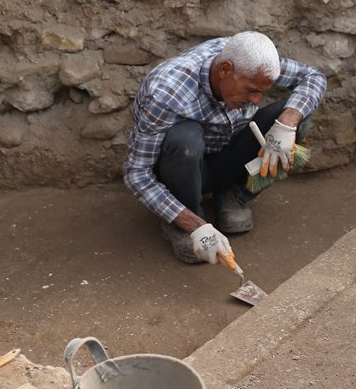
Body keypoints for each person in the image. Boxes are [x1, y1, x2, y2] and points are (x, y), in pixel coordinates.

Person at [124, 31, 327, 265]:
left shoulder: (251, 60)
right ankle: (186, 223)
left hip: (230, 155)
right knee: (184, 139)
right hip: (187, 168)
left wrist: (287, 122)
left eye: (262, 92)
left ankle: (234, 196)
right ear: (225, 70)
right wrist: (195, 226)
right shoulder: (164, 92)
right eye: (251, 90)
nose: (257, 100)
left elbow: (313, 76)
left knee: (297, 117)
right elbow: (136, 173)